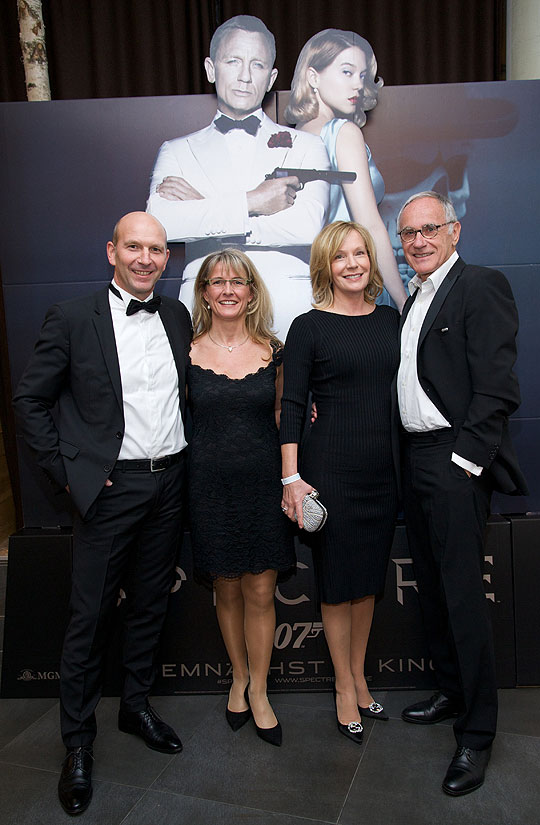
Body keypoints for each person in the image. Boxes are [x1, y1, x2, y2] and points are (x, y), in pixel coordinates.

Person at [12, 212, 192, 816]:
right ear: (110, 251)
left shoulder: (175, 315)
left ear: (167, 260)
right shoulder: (70, 318)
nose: (145, 258)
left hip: (170, 484)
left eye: (157, 249)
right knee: (88, 619)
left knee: (149, 603)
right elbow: (31, 399)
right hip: (109, 493)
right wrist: (69, 474)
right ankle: (78, 744)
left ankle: (135, 705)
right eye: (134, 246)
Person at [396, 191, 528, 795]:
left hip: (453, 462)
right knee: (433, 588)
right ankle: (451, 693)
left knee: (463, 598)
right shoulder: (415, 299)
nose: (418, 241)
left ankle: (477, 735)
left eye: (429, 229)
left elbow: (496, 390)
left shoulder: (481, 286)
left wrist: (463, 464)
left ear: (455, 231)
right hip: (414, 460)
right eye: (408, 234)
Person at [280, 220, 399, 744]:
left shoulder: (392, 322)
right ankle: (343, 688)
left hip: (383, 470)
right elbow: (291, 406)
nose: (353, 263)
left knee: (368, 581)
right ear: (326, 266)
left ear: (371, 260)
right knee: (337, 582)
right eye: (341, 256)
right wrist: (292, 476)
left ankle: (361, 675)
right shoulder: (308, 326)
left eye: (361, 253)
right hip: (330, 470)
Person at [147, 14, 330, 339]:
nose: (245, 76)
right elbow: (161, 224)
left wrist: (204, 207)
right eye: (233, 61)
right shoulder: (176, 151)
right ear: (211, 68)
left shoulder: (309, 146)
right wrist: (254, 201)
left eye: (257, 65)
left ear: (272, 76)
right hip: (204, 309)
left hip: (287, 308)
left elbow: (306, 227)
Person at [188, 248, 295, 747]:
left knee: (259, 591)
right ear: (204, 293)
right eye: (217, 281)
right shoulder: (183, 352)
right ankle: (238, 677)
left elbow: (284, 419)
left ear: (252, 291)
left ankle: (262, 690)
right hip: (208, 488)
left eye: (238, 281)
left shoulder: (275, 350)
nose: (227, 289)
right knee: (226, 589)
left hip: (261, 487)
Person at [285, 29, 407, 311]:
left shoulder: (293, 138)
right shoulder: (343, 132)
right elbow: (370, 223)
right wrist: (403, 302)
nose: (358, 86)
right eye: (347, 72)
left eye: (362, 76)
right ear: (313, 76)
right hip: (354, 288)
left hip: (315, 289)